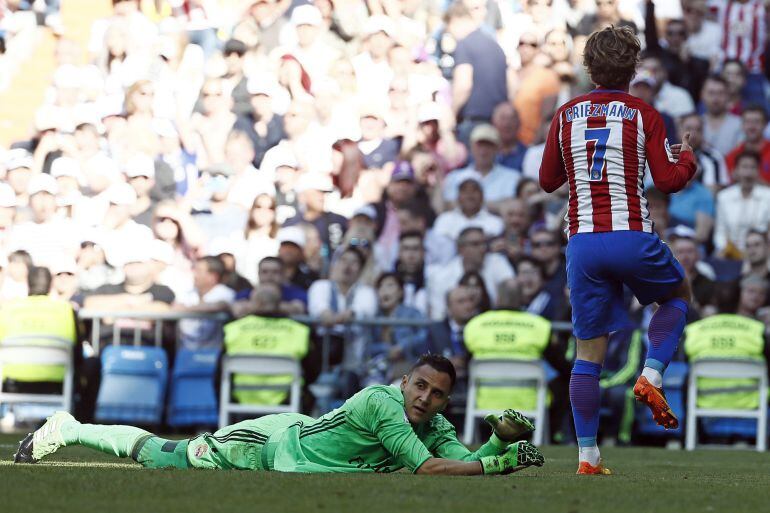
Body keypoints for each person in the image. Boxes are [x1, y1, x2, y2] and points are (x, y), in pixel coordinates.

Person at [539, 26, 697, 474]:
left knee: (588, 353)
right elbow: (667, 181)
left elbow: (547, 181)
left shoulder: (565, 114)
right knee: (678, 294)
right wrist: (686, 157)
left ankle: (588, 457)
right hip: (632, 235)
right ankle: (651, 373)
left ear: (589, 69)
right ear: (632, 69)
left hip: (583, 243)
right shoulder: (643, 113)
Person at [17, 355, 545, 476]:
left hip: (286, 451)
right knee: (166, 456)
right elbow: (432, 470)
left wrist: (500, 442)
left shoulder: (435, 424)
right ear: (404, 381)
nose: (425, 399)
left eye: (435, 395)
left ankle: (73, 428)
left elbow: (462, 464)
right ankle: (72, 427)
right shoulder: (382, 402)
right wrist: (497, 464)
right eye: (420, 386)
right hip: (270, 443)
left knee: (168, 458)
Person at [714, 151, 770, 257]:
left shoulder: (768, 196)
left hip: (762, 252)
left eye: (753, 167)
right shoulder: (724, 197)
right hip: (731, 253)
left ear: (758, 171)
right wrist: (724, 248)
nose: (748, 173)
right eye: (744, 167)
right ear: (736, 171)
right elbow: (720, 231)